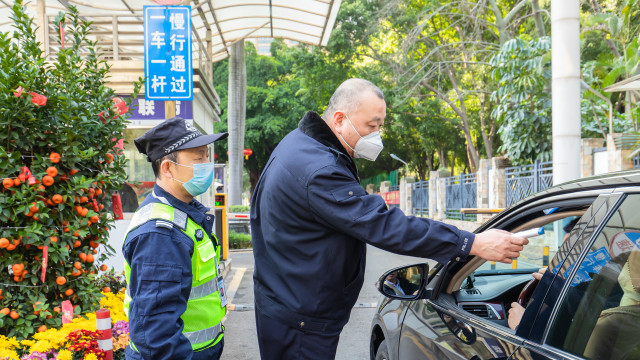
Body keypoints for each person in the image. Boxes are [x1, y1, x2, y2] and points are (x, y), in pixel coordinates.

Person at [251, 78, 529, 360]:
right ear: (339, 119)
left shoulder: (299, 145)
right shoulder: (320, 169)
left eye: (380, 126)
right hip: (300, 319)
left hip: (285, 301)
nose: (377, 135)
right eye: (372, 126)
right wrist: (470, 242)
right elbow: (384, 225)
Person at [122, 117, 228, 359]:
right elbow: (157, 334)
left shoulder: (182, 214)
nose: (206, 164)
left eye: (206, 155)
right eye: (198, 157)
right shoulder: (160, 233)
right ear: (168, 168)